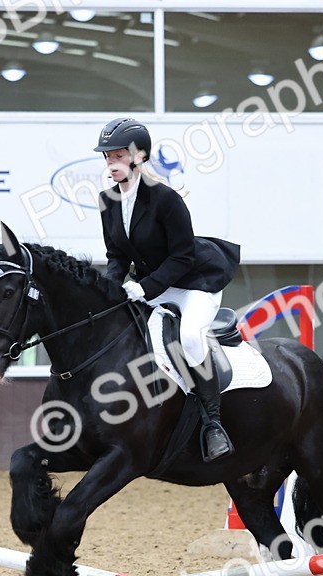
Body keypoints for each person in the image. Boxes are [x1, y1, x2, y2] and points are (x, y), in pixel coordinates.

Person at [94, 117, 240, 462]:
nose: (110, 163)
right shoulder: (107, 200)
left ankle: (213, 424)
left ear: (139, 156)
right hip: (154, 286)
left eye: (118, 155)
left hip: (193, 284)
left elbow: (183, 256)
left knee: (189, 338)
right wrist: (109, 291)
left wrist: (143, 287)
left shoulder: (165, 199)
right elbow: (115, 255)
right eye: (107, 156)